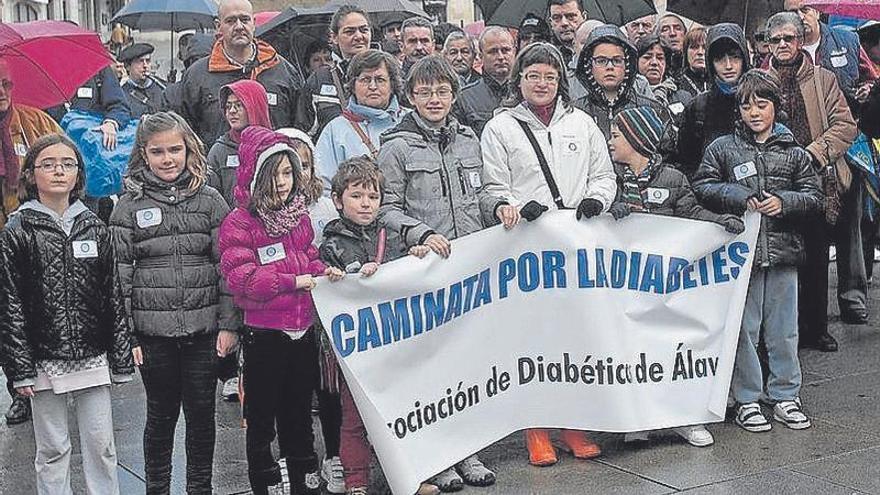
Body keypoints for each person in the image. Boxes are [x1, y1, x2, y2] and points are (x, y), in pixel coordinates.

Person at [480, 42, 615, 466]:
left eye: (550, 76)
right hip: (528, 249)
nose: (542, 83)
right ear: (519, 80)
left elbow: (604, 175)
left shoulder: (583, 123)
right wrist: (515, 208)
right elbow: (494, 187)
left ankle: (573, 423)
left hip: (575, 245)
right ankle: (536, 427)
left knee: (575, 338)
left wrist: (596, 200)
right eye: (533, 75)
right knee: (533, 339)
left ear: (561, 82)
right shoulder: (500, 127)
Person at [377, 55, 505, 491]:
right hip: (425, 273)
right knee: (432, 369)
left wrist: (498, 206)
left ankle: (468, 450)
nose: (435, 99)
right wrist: (421, 231)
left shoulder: (469, 139)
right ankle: (439, 457)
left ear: (453, 94)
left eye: (442, 91)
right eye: (425, 92)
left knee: (466, 367)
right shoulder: (395, 148)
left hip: (468, 270)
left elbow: (483, 190)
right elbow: (384, 207)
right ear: (410, 97)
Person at [110, 112, 238, 494]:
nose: (168, 159)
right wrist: (128, 336)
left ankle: (200, 488)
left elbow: (227, 265)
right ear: (143, 155)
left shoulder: (211, 200)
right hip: (153, 336)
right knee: (160, 417)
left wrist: (229, 324)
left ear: (188, 149)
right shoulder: (128, 207)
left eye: (175, 150)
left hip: (204, 332)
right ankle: (158, 488)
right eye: (158, 152)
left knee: (202, 418)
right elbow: (119, 278)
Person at [0, 133, 133, 494]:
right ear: (30, 175)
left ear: (78, 174)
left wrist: (121, 358)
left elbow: (112, 294)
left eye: (67, 164)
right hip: (44, 358)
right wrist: (19, 368)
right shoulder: (18, 230)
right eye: (48, 164)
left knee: (102, 446)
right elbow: (9, 303)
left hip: (92, 355)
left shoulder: (93, 226)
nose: (58, 171)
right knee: (53, 448)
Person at [693, 69, 822, 434]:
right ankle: (747, 398)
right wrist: (738, 196)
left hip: (783, 254)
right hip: (742, 258)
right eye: (747, 106)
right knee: (744, 328)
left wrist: (785, 202)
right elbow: (703, 184)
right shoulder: (723, 148)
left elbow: (814, 196)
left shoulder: (794, 152)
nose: (754, 113)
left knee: (784, 329)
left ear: (775, 108)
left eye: (761, 105)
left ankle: (785, 395)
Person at [607, 107, 742, 450]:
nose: (611, 141)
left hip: (668, 285)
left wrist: (719, 222)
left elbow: (691, 214)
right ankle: (640, 420)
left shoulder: (673, 178)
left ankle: (685, 417)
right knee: (634, 352)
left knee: (674, 350)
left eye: (617, 135)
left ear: (638, 140)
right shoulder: (610, 180)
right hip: (629, 287)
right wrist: (610, 212)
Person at [219, 126, 332, 495]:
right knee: (262, 417)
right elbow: (244, 279)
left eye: (288, 173)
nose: (283, 183)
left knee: (299, 413)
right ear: (255, 177)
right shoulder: (239, 223)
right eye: (275, 174)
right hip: (265, 333)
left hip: (302, 329)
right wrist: (293, 280)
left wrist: (323, 273)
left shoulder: (298, 217)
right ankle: (267, 483)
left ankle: (305, 480)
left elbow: (309, 258)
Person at [320, 157, 439, 495]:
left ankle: (406, 479)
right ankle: (356, 480)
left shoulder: (393, 237)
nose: (365, 204)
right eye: (357, 196)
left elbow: (406, 274)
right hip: (356, 351)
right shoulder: (330, 244)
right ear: (338, 200)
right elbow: (326, 285)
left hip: (393, 345)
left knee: (400, 416)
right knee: (355, 419)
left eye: (372, 197)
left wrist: (415, 257)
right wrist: (340, 277)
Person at [764, 12, 858, 351]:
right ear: (768, 45)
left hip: (817, 183)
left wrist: (813, 153)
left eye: (789, 38)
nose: (783, 45)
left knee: (817, 257)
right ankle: (782, 330)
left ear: (800, 40)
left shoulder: (824, 79)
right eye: (776, 40)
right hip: (775, 184)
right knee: (781, 260)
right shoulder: (761, 81)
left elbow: (846, 127)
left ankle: (817, 327)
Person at [785, 0, 873, 326]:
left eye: (804, 8)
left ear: (818, 11)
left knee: (850, 225)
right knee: (813, 232)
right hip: (806, 153)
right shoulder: (785, 47)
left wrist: (866, 88)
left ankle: (853, 298)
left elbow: (870, 76)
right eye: (793, 11)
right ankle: (811, 308)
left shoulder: (847, 40)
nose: (799, 16)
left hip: (847, 146)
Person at [0, 59, 63, 426]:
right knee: (7, 322)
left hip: (33, 237)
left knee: (39, 313)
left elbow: (66, 162)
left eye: (6, 85)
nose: (2, 93)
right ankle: (18, 389)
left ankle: (48, 381)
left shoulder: (35, 122)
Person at [175, 0, 307, 146]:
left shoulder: (283, 70)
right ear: (218, 26)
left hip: (273, 165)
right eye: (230, 21)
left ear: (254, 23)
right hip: (217, 167)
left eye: (244, 19)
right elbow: (184, 131)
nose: (239, 26)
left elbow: (300, 128)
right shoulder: (197, 75)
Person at [315, 50, 406, 190]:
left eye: (380, 80)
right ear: (353, 84)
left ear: (392, 84)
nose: (373, 86)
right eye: (365, 80)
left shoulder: (409, 121)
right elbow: (324, 187)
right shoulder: (335, 130)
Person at [572, 24, 670, 144]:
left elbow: (668, 155)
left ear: (627, 65)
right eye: (601, 61)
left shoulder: (651, 109)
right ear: (589, 66)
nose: (609, 67)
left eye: (617, 61)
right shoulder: (575, 111)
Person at [676, 23, 751, 179]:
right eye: (719, 59)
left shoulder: (762, 101)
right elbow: (687, 162)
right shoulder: (698, 108)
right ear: (711, 63)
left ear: (745, 58)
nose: (728, 65)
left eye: (735, 57)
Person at [302, 5, 374, 137]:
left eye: (364, 30)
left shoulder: (387, 73)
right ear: (334, 37)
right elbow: (304, 133)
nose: (358, 36)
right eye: (350, 31)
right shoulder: (319, 79)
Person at [207, 79, 273, 208]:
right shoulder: (219, 151)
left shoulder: (275, 147)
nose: (231, 111)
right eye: (228, 106)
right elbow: (210, 201)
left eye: (239, 105)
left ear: (255, 106)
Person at [454, 26, 516, 137]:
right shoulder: (464, 98)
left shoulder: (526, 94)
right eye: (493, 52)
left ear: (514, 52)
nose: (501, 57)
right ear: (481, 56)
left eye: (505, 50)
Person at [118, 43, 166, 119]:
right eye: (140, 61)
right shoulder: (122, 94)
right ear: (127, 66)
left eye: (148, 61)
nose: (145, 66)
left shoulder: (162, 88)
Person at [675, 27, 710, 105]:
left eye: (705, 47)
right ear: (685, 52)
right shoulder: (676, 83)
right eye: (694, 47)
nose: (700, 52)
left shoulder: (719, 83)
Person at [547, 0, 585, 66]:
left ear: (584, 17)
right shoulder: (547, 59)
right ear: (551, 23)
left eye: (571, 16)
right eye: (557, 18)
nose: (564, 23)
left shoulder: (599, 52)